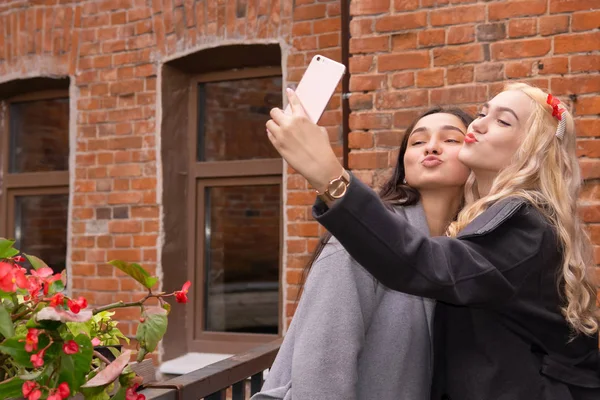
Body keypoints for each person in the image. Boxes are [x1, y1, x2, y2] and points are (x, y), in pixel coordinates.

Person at [265, 83, 600, 399]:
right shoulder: (362, 241)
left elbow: (421, 262)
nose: (478, 127)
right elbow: (322, 361)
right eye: (482, 114)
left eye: (502, 121)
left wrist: (331, 177)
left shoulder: (521, 225)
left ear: (533, 151)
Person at [253, 108, 472, 400]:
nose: (431, 146)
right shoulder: (360, 238)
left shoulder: (473, 250)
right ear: (403, 166)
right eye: (417, 142)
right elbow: (323, 364)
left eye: (451, 140)